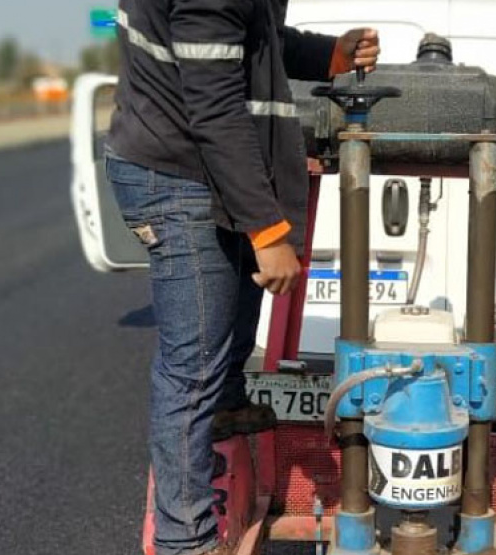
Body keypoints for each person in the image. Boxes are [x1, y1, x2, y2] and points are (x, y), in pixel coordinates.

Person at [104, 1, 380, 553]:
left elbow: (254, 42)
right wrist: (267, 231)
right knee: (192, 368)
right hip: (176, 174)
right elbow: (213, 107)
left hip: (195, 163)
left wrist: (329, 54)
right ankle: (185, 539)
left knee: (227, 331)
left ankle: (227, 405)